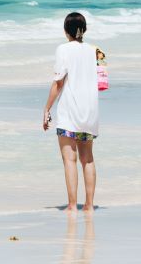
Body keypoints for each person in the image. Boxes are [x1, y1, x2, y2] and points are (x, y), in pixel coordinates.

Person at [43, 12, 101, 212]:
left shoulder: (63, 49)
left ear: (66, 30)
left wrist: (47, 108)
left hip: (70, 109)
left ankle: (71, 205)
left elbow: (58, 82)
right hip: (91, 109)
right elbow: (102, 83)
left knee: (70, 159)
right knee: (88, 158)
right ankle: (89, 205)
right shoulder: (96, 51)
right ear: (84, 30)